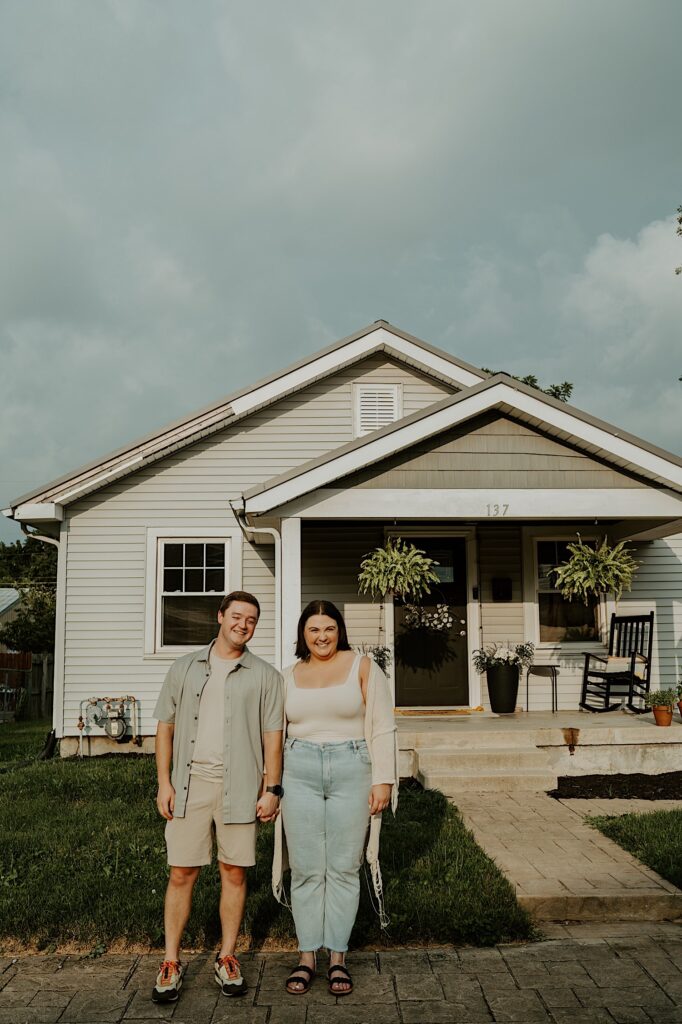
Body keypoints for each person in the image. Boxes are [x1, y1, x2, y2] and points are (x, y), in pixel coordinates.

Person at [151, 591, 283, 1004]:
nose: (243, 625)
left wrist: (272, 789)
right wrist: (164, 783)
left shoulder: (265, 675)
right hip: (190, 787)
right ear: (220, 616)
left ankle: (227, 956)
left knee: (235, 872)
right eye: (237, 617)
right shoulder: (184, 668)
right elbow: (165, 729)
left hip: (241, 787)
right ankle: (170, 961)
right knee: (181, 873)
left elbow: (272, 739)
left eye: (252, 620)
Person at [272, 600, 398, 997]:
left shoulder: (363, 667)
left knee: (343, 866)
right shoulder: (288, 675)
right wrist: (271, 784)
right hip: (299, 769)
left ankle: (338, 957)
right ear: (302, 635)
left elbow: (382, 725)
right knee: (308, 868)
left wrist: (384, 780)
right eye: (313, 630)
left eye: (328, 628)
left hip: (352, 767)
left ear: (339, 630)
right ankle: (307, 956)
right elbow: (275, 734)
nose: (322, 636)